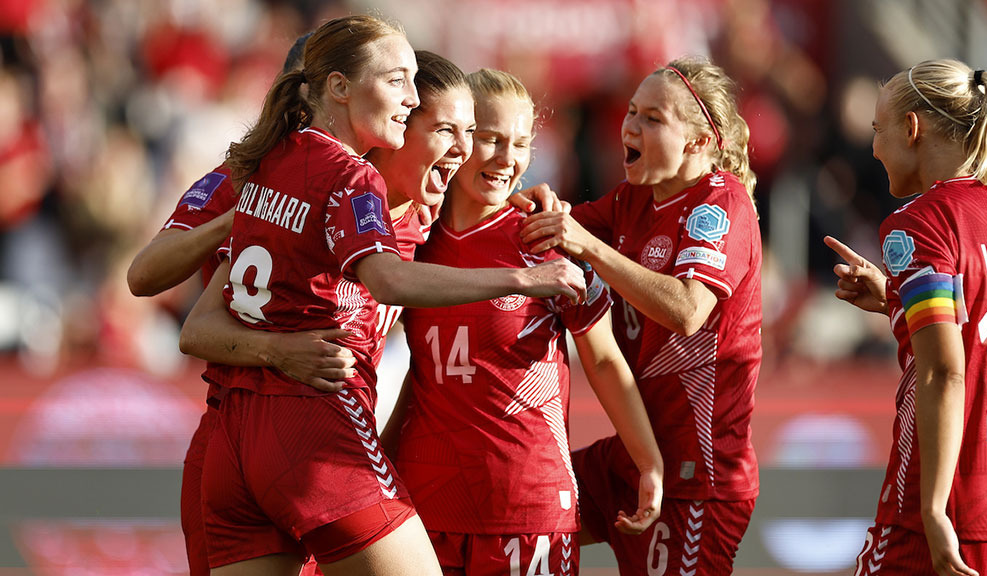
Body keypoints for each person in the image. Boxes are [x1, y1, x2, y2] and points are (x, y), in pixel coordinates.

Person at [176, 15, 585, 576]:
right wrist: (282, 351)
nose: (464, 152)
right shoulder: (347, 185)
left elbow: (487, 202)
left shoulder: (408, 209)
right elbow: (191, 322)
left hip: (246, 445)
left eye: (471, 134)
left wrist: (544, 214)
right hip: (308, 431)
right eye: (444, 131)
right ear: (397, 129)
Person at [386, 68, 663, 576]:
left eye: (519, 144)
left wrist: (648, 462)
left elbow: (602, 359)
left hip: (526, 507)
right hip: (425, 505)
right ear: (459, 139)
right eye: (489, 139)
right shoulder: (411, 238)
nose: (506, 159)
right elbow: (424, 373)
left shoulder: (545, 239)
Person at [521, 56, 762, 575]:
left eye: (653, 118)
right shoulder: (633, 200)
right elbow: (544, 232)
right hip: (631, 457)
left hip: (698, 478)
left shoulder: (721, 207)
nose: (630, 125)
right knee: (520, 512)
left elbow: (688, 309)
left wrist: (590, 248)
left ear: (700, 142)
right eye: (632, 111)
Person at [126, 32, 348, 576]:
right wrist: (239, 217)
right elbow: (145, 276)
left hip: (332, 433)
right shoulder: (240, 178)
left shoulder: (374, 185)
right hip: (242, 422)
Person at [825, 59, 987, 576]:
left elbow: (944, 370)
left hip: (950, 499)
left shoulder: (919, 223)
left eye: (877, 130)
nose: (872, 147)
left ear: (911, 129)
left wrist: (934, 510)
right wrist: (897, 298)